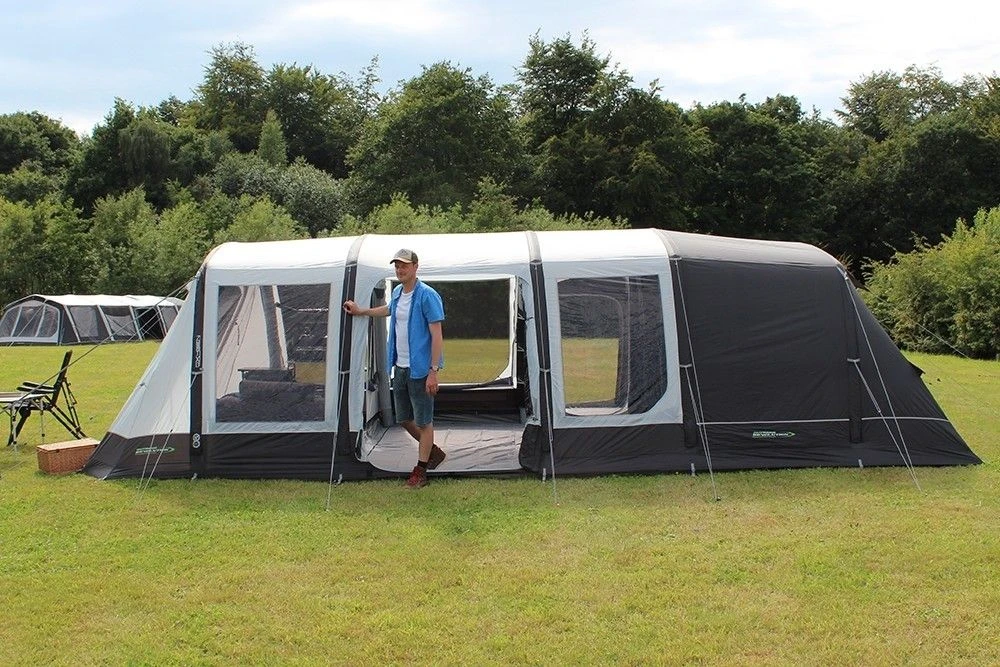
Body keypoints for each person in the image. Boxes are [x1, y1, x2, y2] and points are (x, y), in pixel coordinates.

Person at [343, 248, 446, 488]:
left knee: (424, 422)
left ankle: (420, 471)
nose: (400, 270)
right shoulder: (398, 292)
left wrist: (433, 371)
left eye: (404, 266)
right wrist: (361, 311)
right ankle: (432, 451)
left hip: (421, 370)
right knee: (403, 419)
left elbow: (437, 335)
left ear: (415, 267)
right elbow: (389, 309)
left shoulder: (428, 296)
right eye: (397, 266)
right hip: (400, 367)